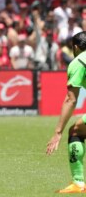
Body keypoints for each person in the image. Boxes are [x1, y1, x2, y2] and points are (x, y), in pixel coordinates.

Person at [46, 31, 86, 193]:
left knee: (74, 131)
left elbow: (71, 99)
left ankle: (78, 183)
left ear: (75, 48)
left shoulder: (78, 62)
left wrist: (58, 132)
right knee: (77, 129)